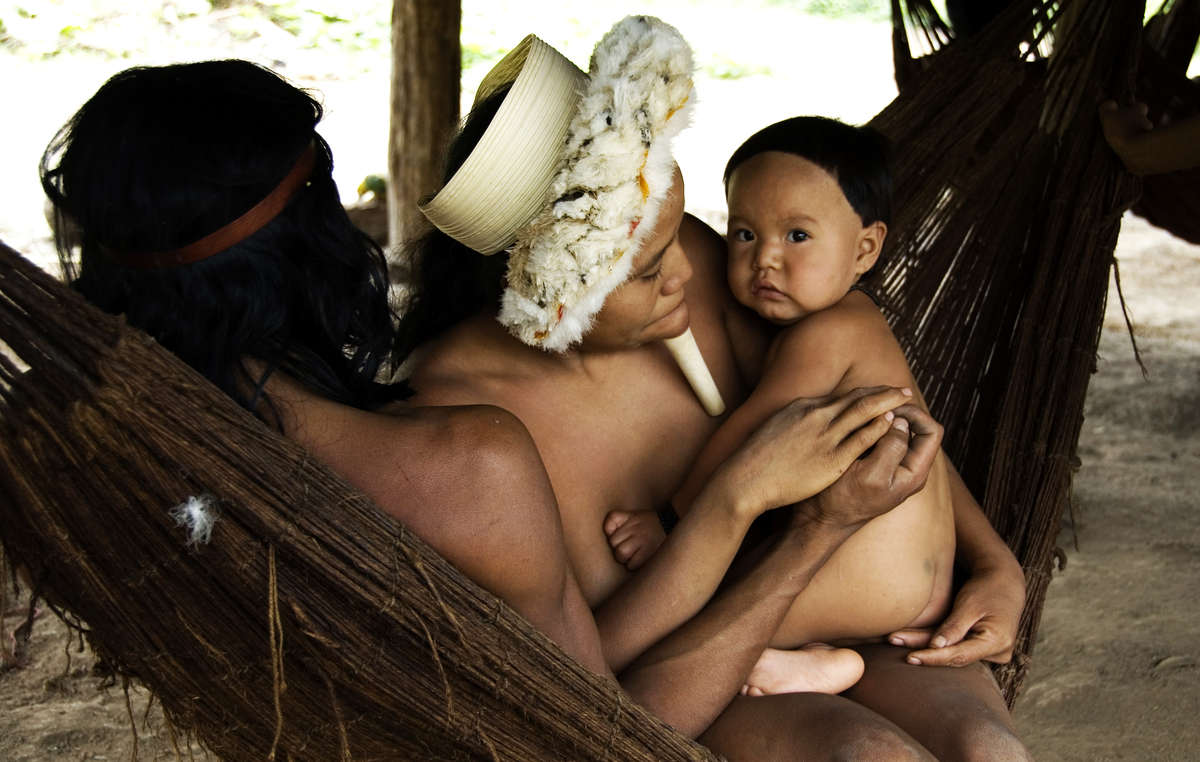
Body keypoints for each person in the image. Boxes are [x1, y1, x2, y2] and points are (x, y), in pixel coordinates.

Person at [41, 58, 942, 758]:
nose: (681, 270)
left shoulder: (92, 451)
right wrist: (776, 513)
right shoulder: (464, 458)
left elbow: (855, 363)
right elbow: (602, 734)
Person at [405, 15, 1030, 760]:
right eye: (643, 271)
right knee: (872, 756)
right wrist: (743, 497)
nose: (683, 273)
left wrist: (995, 562)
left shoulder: (692, 261)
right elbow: (594, 663)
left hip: (833, 601)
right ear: (553, 292)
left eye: (680, 234)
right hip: (694, 672)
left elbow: (861, 400)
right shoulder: (472, 413)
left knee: (992, 751)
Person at [603, 116, 958, 697]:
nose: (765, 258)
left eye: (797, 236)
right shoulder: (857, 324)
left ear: (866, 248)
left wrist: (668, 522)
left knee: (694, 621)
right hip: (914, 577)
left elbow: (752, 431)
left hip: (873, 575)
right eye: (744, 234)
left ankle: (793, 660)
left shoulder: (829, 332)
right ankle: (816, 653)